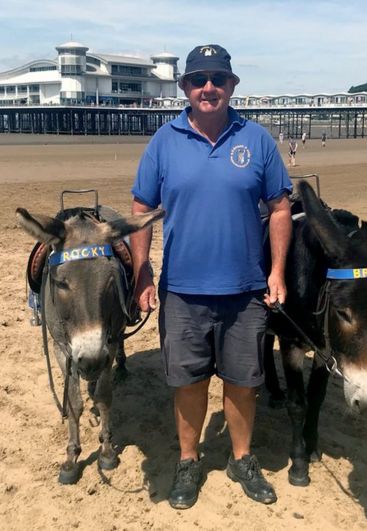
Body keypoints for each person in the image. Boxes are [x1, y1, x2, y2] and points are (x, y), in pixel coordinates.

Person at [130, 44, 292, 509]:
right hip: (182, 291)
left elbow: (280, 207)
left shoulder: (256, 140)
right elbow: (141, 207)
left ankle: (242, 458)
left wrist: (277, 270)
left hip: (245, 290)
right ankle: (188, 459)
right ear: (184, 87)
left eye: (218, 79)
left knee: (243, 382)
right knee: (190, 381)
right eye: (199, 79)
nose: (208, 87)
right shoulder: (164, 141)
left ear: (232, 86)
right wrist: (143, 271)